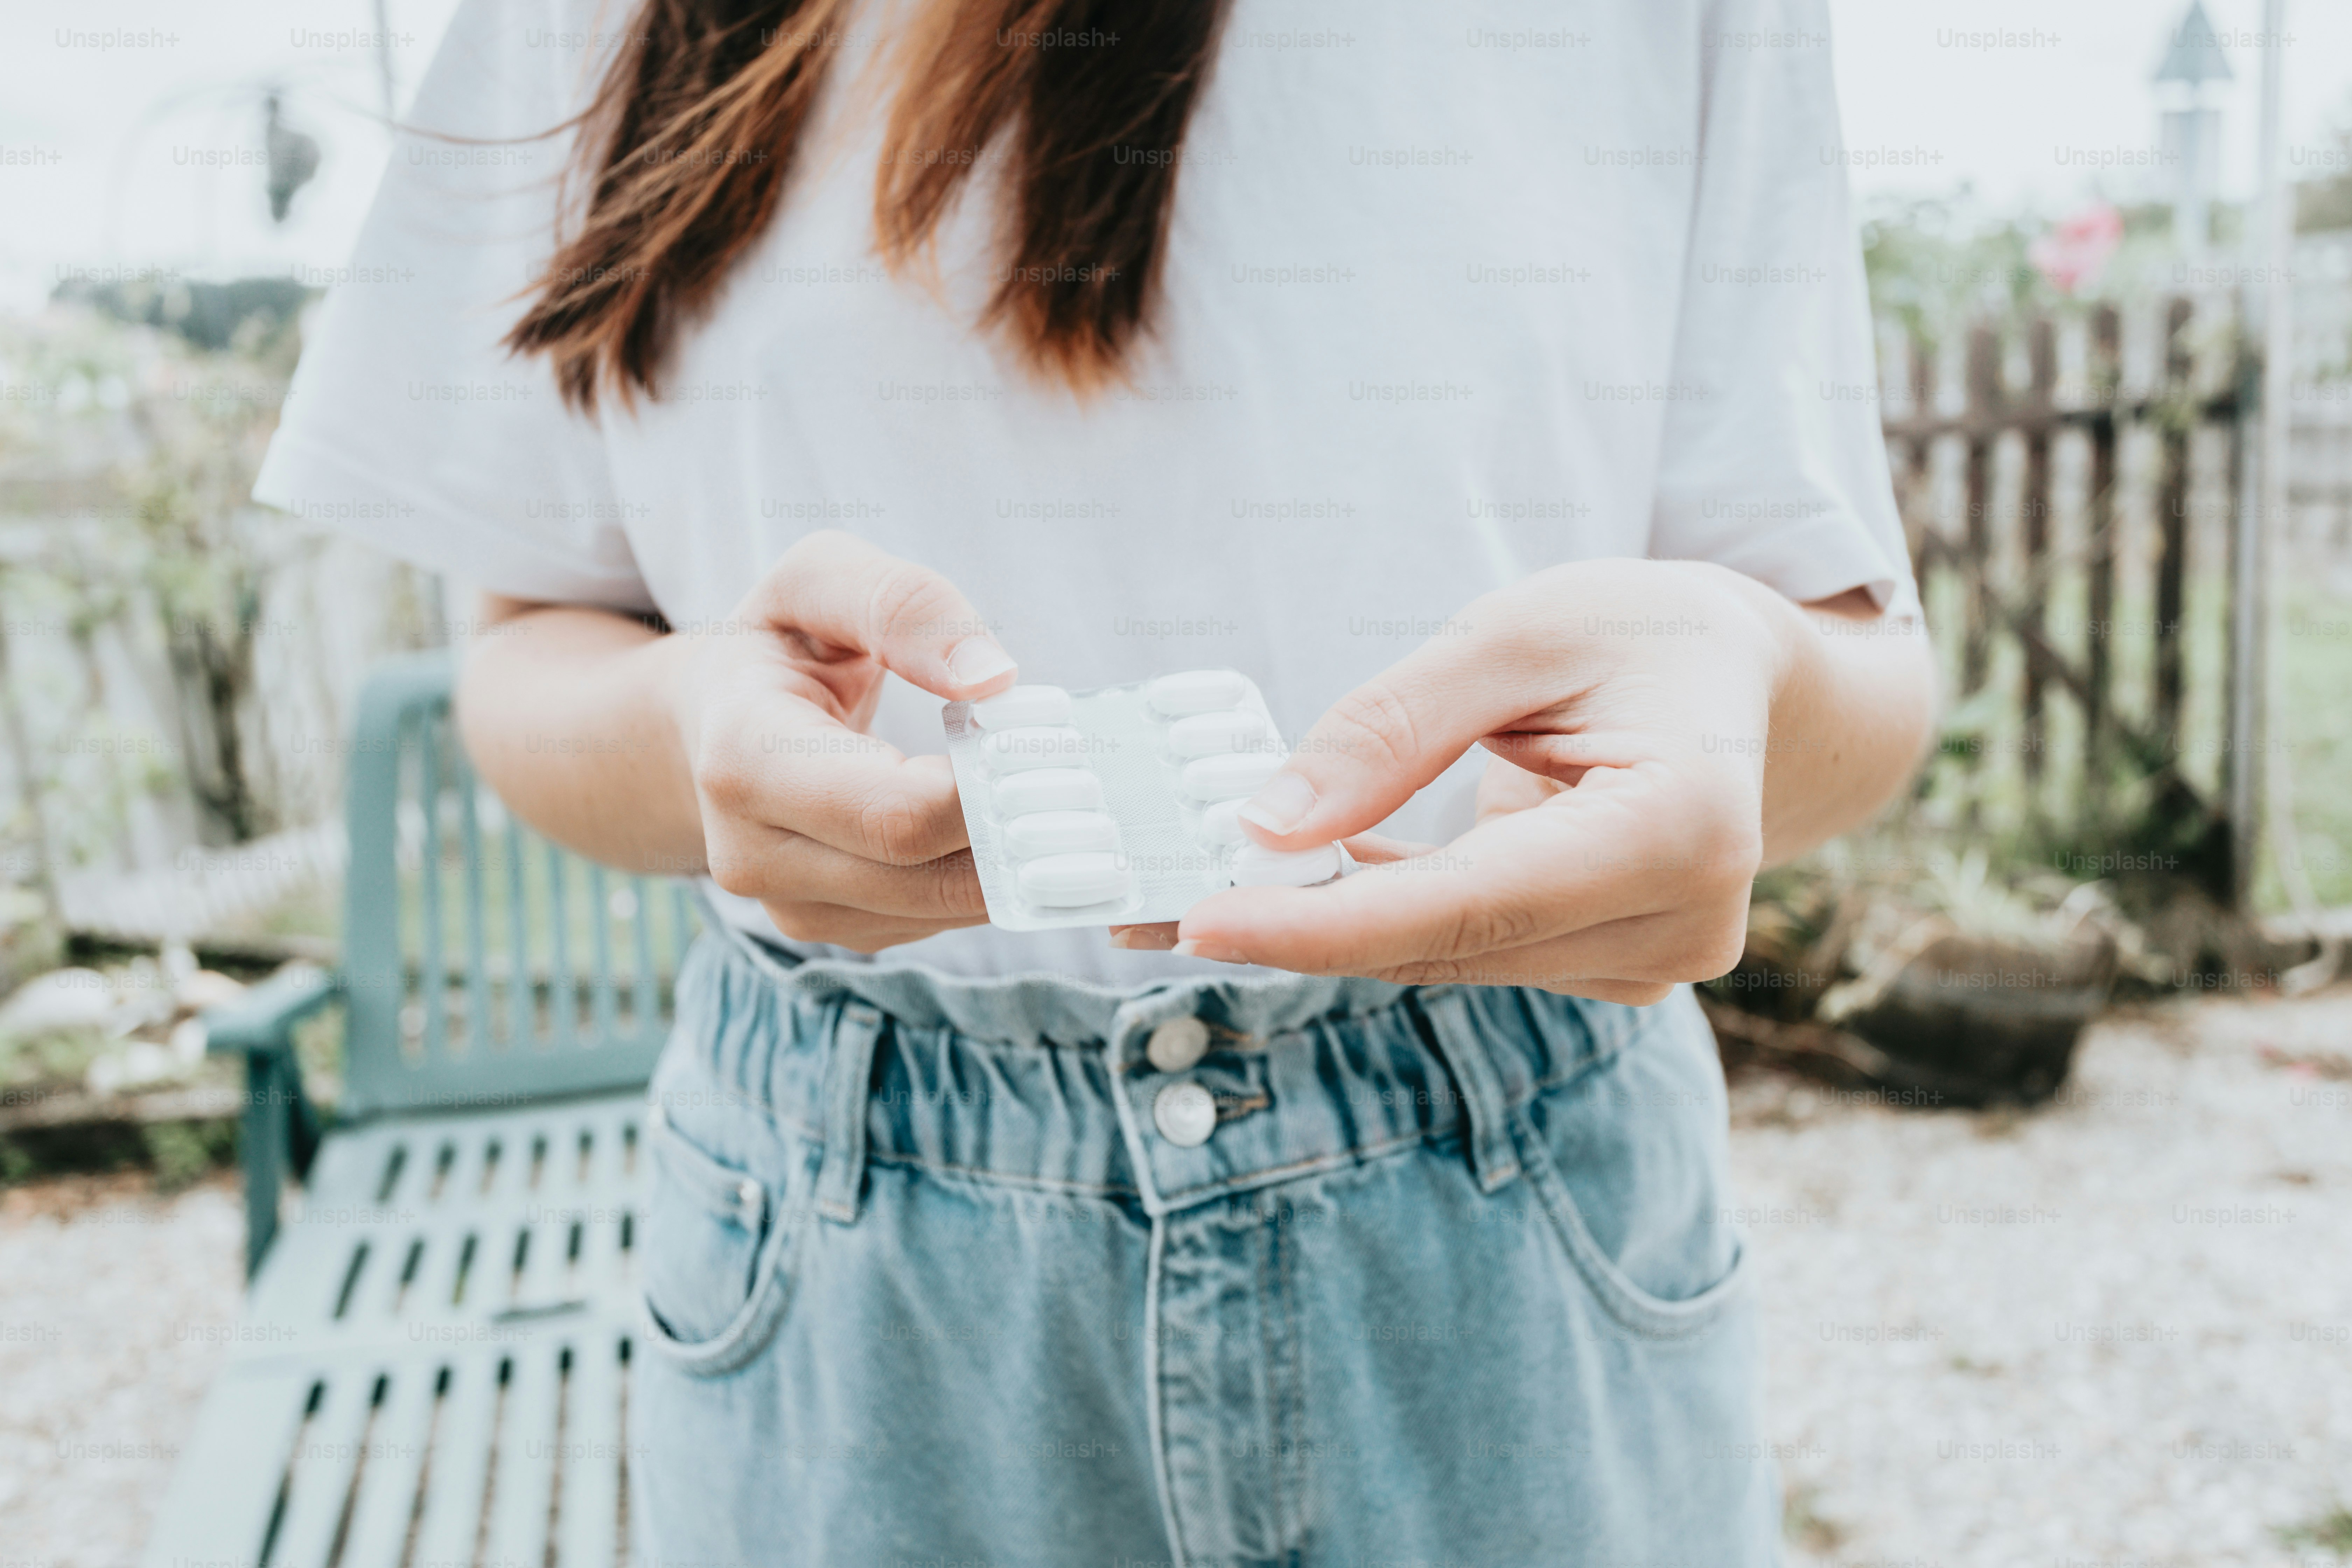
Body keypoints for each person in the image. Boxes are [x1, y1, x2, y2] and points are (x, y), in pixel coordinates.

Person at [256, 0, 1936, 1561]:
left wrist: (1748, 694)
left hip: (1514, 1212)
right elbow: (528, 646)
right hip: (855, 1263)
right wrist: (699, 722)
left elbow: (1854, 652)